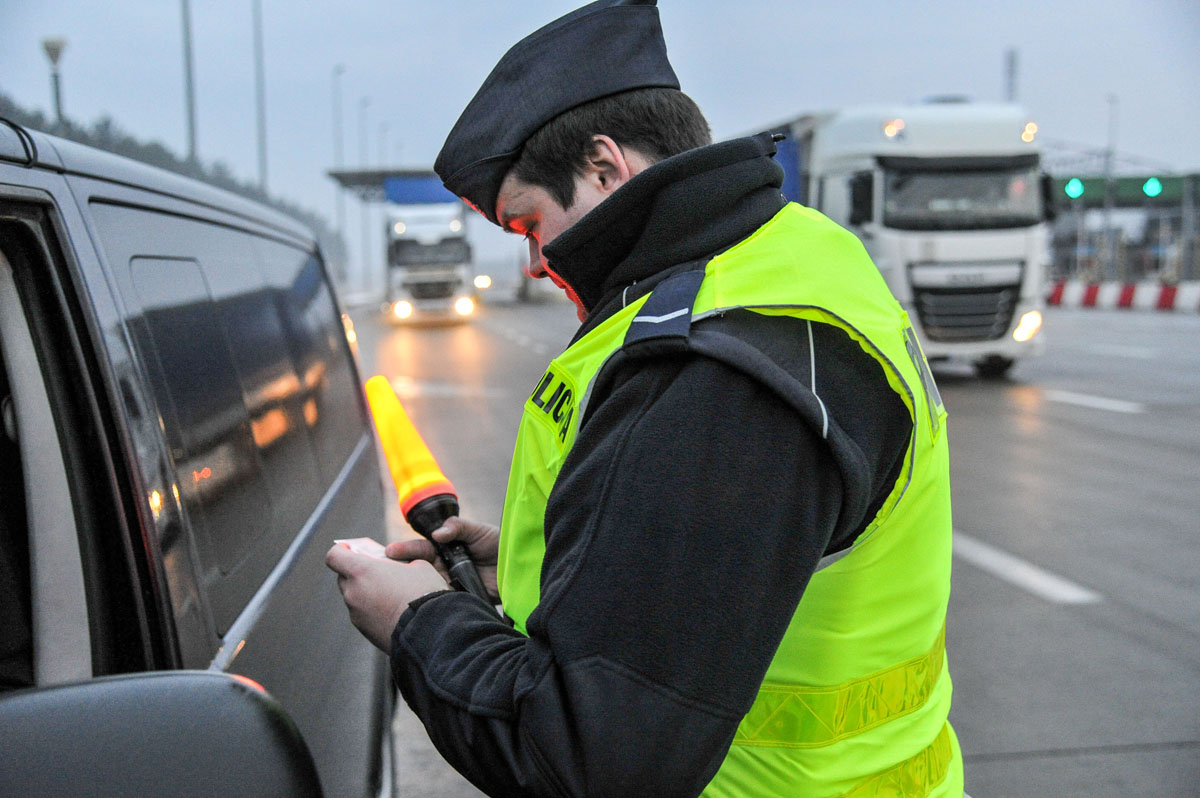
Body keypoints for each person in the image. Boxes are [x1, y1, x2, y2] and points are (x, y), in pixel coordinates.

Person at [326, 1, 964, 795]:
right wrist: (556, 567)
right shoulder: (798, 261)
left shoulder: (715, 368)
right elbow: (721, 577)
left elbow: (589, 758)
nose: (533, 261)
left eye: (529, 222)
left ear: (604, 168)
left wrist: (417, 622)